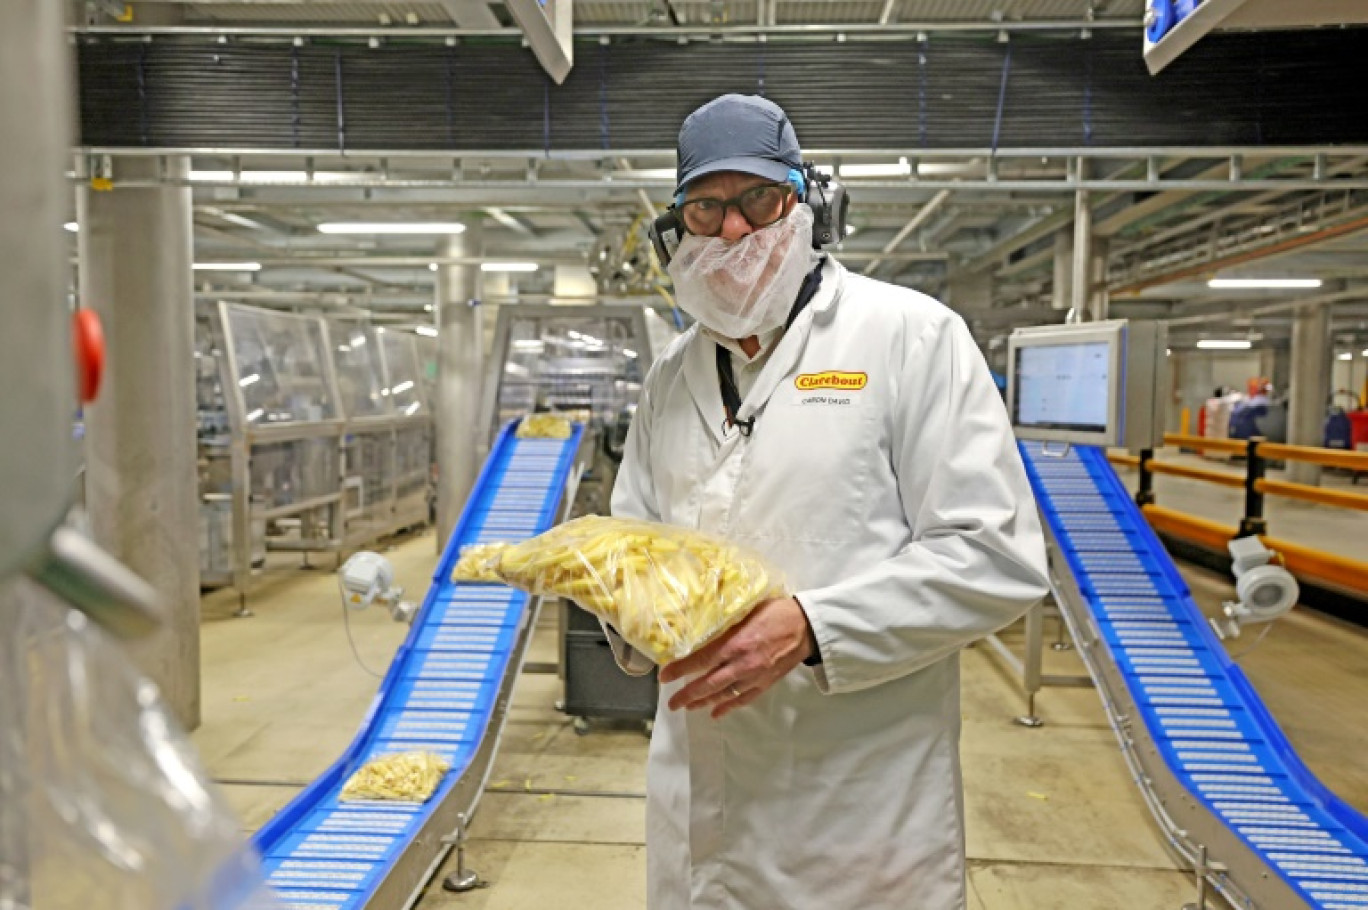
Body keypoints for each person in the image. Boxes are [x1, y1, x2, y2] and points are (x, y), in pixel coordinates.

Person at [607, 93, 1050, 909]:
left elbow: (996, 555)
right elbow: (631, 545)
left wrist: (814, 628)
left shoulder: (910, 338)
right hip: (695, 798)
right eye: (706, 208)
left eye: (757, 201)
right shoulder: (669, 377)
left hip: (857, 819)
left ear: (809, 206)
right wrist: (619, 607)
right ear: (679, 228)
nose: (732, 231)